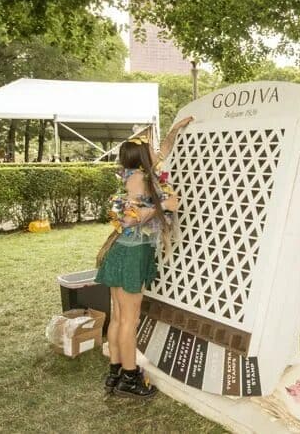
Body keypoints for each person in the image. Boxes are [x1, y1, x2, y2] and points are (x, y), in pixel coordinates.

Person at [95, 116, 193, 399]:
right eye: (149, 147)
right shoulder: (139, 179)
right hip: (132, 253)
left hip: (121, 251)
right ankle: (129, 377)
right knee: (129, 320)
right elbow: (127, 219)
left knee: (117, 318)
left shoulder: (133, 173)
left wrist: (175, 130)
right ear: (141, 155)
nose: (155, 151)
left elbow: (162, 152)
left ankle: (114, 373)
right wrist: (165, 204)